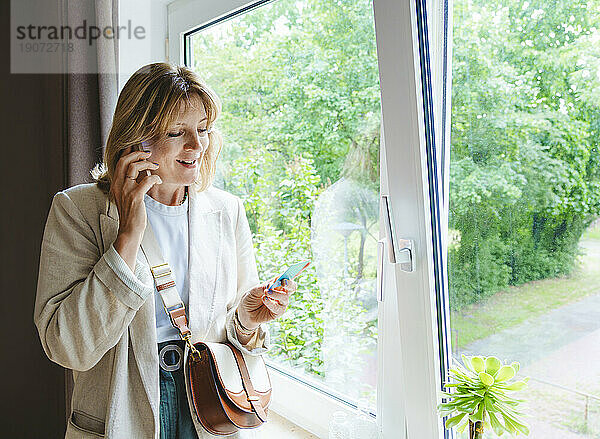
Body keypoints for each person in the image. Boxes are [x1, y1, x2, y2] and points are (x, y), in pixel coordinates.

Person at [33, 62, 296, 439]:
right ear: (137, 137)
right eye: (177, 132)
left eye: (203, 130)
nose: (196, 145)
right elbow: (67, 347)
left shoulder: (227, 211)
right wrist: (127, 235)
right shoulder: (77, 210)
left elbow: (231, 334)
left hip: (207, 407)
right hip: (119, 413)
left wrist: (248, 319)